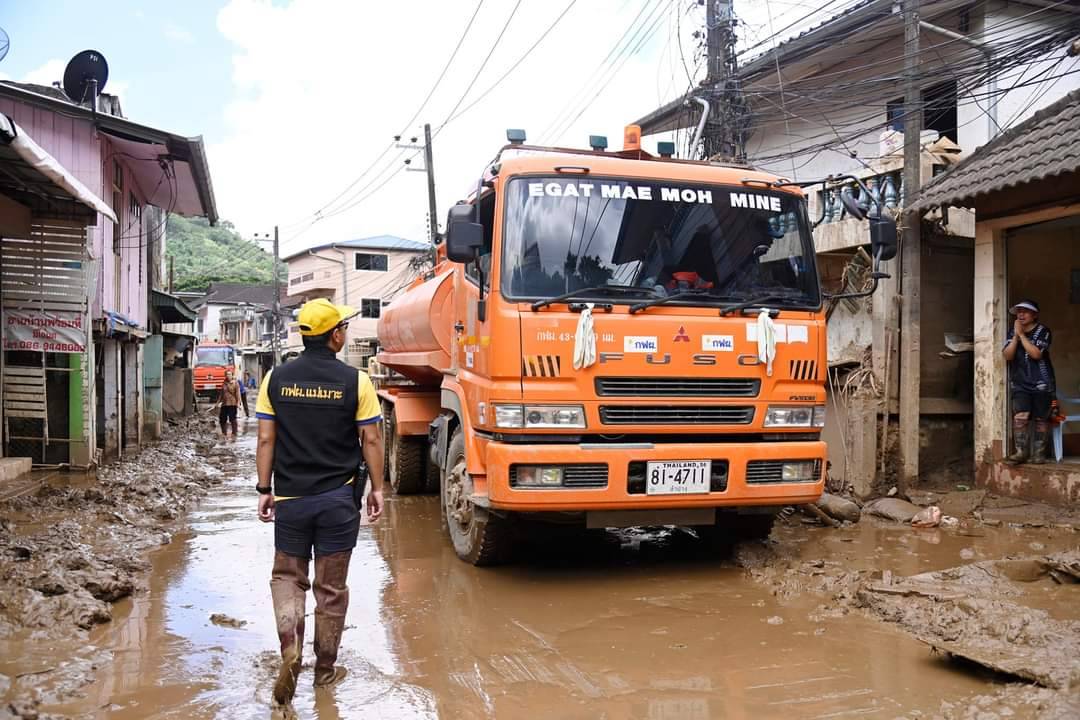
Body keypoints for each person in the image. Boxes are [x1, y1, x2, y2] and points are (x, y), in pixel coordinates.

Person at [254, 298, 385, 706]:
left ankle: (290, 648)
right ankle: (324, 671)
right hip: (338, 500)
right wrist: (377, 488)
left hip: (291, 499)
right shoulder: (356, 381)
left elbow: (264, 439)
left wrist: (264, 489)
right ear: (335, 335)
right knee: (331, 589)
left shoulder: (275, 379)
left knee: (288, 577)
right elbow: (373, 438)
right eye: (343, 326)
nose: (345, 331)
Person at [1003, 299, 1055, 465]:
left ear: (1034, 315)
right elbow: (1008, 355)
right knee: (1020, 416)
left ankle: (1039, 453)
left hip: (1042, 381)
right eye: (1019, 311)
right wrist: (1015, 337)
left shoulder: (1043, 331)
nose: (1021, 314)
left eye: (1025, 311)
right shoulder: (1013, 332)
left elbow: (1036, 354)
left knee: (1041, 418)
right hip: (1020, 382)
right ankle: (1021, 452)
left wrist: (1022, 336)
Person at [216, 369, 241, 438]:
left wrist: (238, 403)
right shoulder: (224, 383)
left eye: (229, 374)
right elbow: (221, 394)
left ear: (232, 375)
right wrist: (217, 403)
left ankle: (234, 433)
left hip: (232, 403)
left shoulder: (235, 383)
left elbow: (238, 394)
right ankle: (224, 433)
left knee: (232, 418)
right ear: (225, 375)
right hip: (224, 404)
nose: (228, 376)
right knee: (222, 418)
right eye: (227, 374)